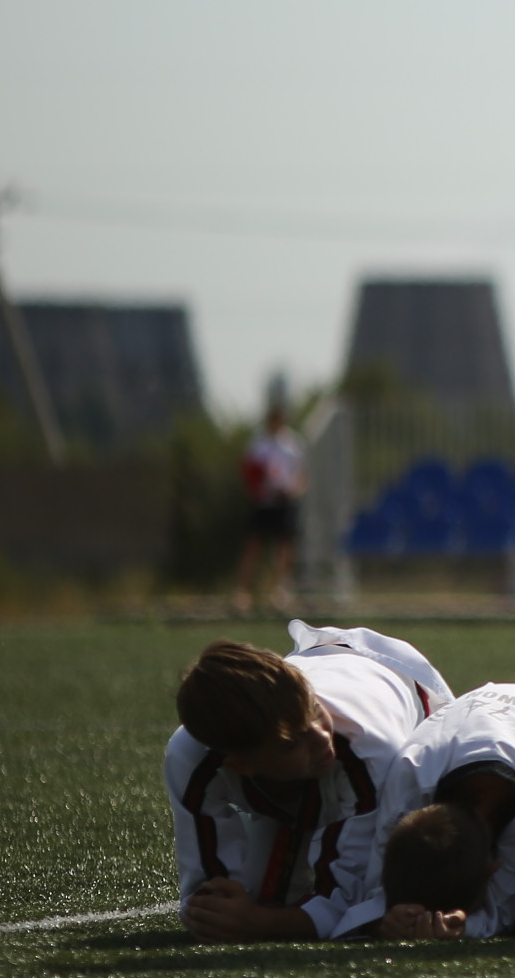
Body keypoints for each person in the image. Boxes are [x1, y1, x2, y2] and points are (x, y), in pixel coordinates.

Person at [165, 623, 452, 942]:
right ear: (240, 765)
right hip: (299, 760)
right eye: (291, 743)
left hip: (403, 685)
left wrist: (261, 924)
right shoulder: (190, 757)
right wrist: (219, 913)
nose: (321, 738)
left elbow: (352, 903)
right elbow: (206, 898)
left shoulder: (373, 752)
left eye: (315, 710)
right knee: (253, 901)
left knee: (402, 896)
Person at [352, 681, 515, 941]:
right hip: (478, 709)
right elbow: (380, 875)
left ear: (492, 870)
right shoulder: (410, 775)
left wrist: (460, 928)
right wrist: (385, 920)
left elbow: (508, 910)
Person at [229, 400, 307, 616]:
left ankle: (280, 591)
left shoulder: (292, 444)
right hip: (263, 502)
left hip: (284, 501)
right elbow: (249, 473)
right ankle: (242, 592)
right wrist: (258, 489)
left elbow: (300, 476)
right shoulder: (258, 444)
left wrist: (292, 490)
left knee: (285, 546)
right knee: (253, 544)